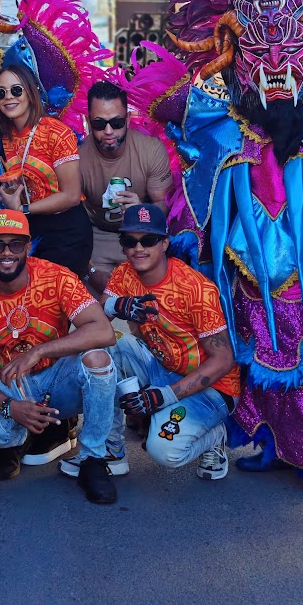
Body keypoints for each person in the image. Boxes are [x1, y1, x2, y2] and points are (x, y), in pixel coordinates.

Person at [0, 209, 119, 505]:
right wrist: (10, 408)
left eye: (15, 244)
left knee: (99, 361)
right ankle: (19, 435)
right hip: (13, 386)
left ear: (28, 246)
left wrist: (39, 351)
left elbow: (103, 331)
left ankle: (93, 459)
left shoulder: (56, 277)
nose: (7, 253)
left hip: (58, 377)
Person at [91, 204, 240, 482]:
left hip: (213, 386)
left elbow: (223, 360)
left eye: (148, 240)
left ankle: (216, 435)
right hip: (162, 366)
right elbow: (95, 327)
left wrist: (164, 396)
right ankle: (111, 449)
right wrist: (113, 306)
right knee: (100, 349)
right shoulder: (125, 273)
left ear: (164, 243)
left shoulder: (195, 288)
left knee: (165, 452)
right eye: (129, 241)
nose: (138, 248)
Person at [0, 63, 92, 280]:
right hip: (29, 230)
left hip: (66, 231)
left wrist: (23, 208)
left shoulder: (56, 132)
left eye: (16, 90)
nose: (9, 97)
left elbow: (72, 196)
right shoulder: (3, 137)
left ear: (30, 91)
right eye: (1, 93)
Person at [79, 80, 173, 295]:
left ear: (129, 119)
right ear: (87, 122)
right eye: (100, 124)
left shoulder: (150, 150)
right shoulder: (77, 157)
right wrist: (87, 266)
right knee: (98, 310)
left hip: (141, 236)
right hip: (97, 236)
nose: (109, 131)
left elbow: (164, 204)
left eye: (117, 122)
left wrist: (141, 210)